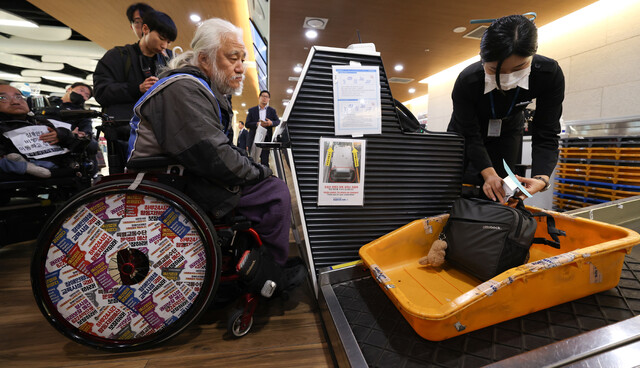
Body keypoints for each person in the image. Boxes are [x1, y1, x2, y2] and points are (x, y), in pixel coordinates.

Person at [127, 18, 303, 293]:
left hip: (182, 176)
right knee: (274, 191)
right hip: (169, 183)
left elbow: (215, 149)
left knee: (264, 183)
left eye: (243, 59)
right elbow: (212, 155)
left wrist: (251, 167)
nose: (240, 67)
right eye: (233, 57)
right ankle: (268, 274)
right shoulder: (183, 88)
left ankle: (259, 262)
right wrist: (260, 171)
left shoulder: (197, 88)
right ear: (204, 59)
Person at [447, 14, 564, 203]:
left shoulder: (548, 74)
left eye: (519, 67)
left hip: (508, 128)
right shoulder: (467, 81)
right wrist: (487, 173)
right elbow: (469, 133)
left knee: (502, 190)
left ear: (532, 57)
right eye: (495, 70)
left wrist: (541, 178)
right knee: (454, 183)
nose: (507, 78)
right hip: (466, 130)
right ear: (482, 59)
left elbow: (547, 132)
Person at [93, 10, 177, 121]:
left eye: (169, 42)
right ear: (145, 29)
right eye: (161, 38)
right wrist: (138, 88)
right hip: (122, 131)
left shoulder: (170, 61)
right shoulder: (117, 56)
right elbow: (101, 92)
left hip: (156, 130)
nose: (164, 46)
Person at [0, 84, 86, 178]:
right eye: (3, 98)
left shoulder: (41, 121)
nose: (15, 102)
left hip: (60, 167)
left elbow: (70, 142)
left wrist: (62, 135)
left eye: (19, 97)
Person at [245, 90, 280, 166]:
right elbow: (247, 124)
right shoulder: (252, 110)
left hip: (266, 139)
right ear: (259, 97)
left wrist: (271, 123)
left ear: (269, 99)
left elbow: (278, 122)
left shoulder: (272, 111)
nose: (264, 98)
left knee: (265, 161)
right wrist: (257, 124)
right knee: (253, 160)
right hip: (254, 138)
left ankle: (265, 176)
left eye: (266, 97)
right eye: (263, 96)